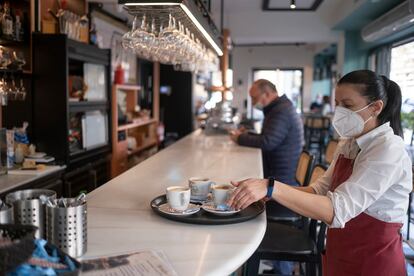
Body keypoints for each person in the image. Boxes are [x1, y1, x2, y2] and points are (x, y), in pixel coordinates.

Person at [228, 70, 412, 275]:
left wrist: (272, 188)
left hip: (374, 262)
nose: (340, 111)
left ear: (376, 107)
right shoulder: (350, 142)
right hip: (341, 252)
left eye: (348, 105)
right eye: (338, 104)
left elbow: (337, 210)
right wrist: (268, 192)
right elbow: (319, 190)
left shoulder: (388, 150)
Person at [229, 79, 304, 183]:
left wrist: (239, 138)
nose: (253, 103)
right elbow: (268, 136)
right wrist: (246, 134)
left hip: (281, 177)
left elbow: (267, 142)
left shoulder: (281, 111)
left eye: (254, 98)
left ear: (267, 94)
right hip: (276, 168)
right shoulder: (278, 108)